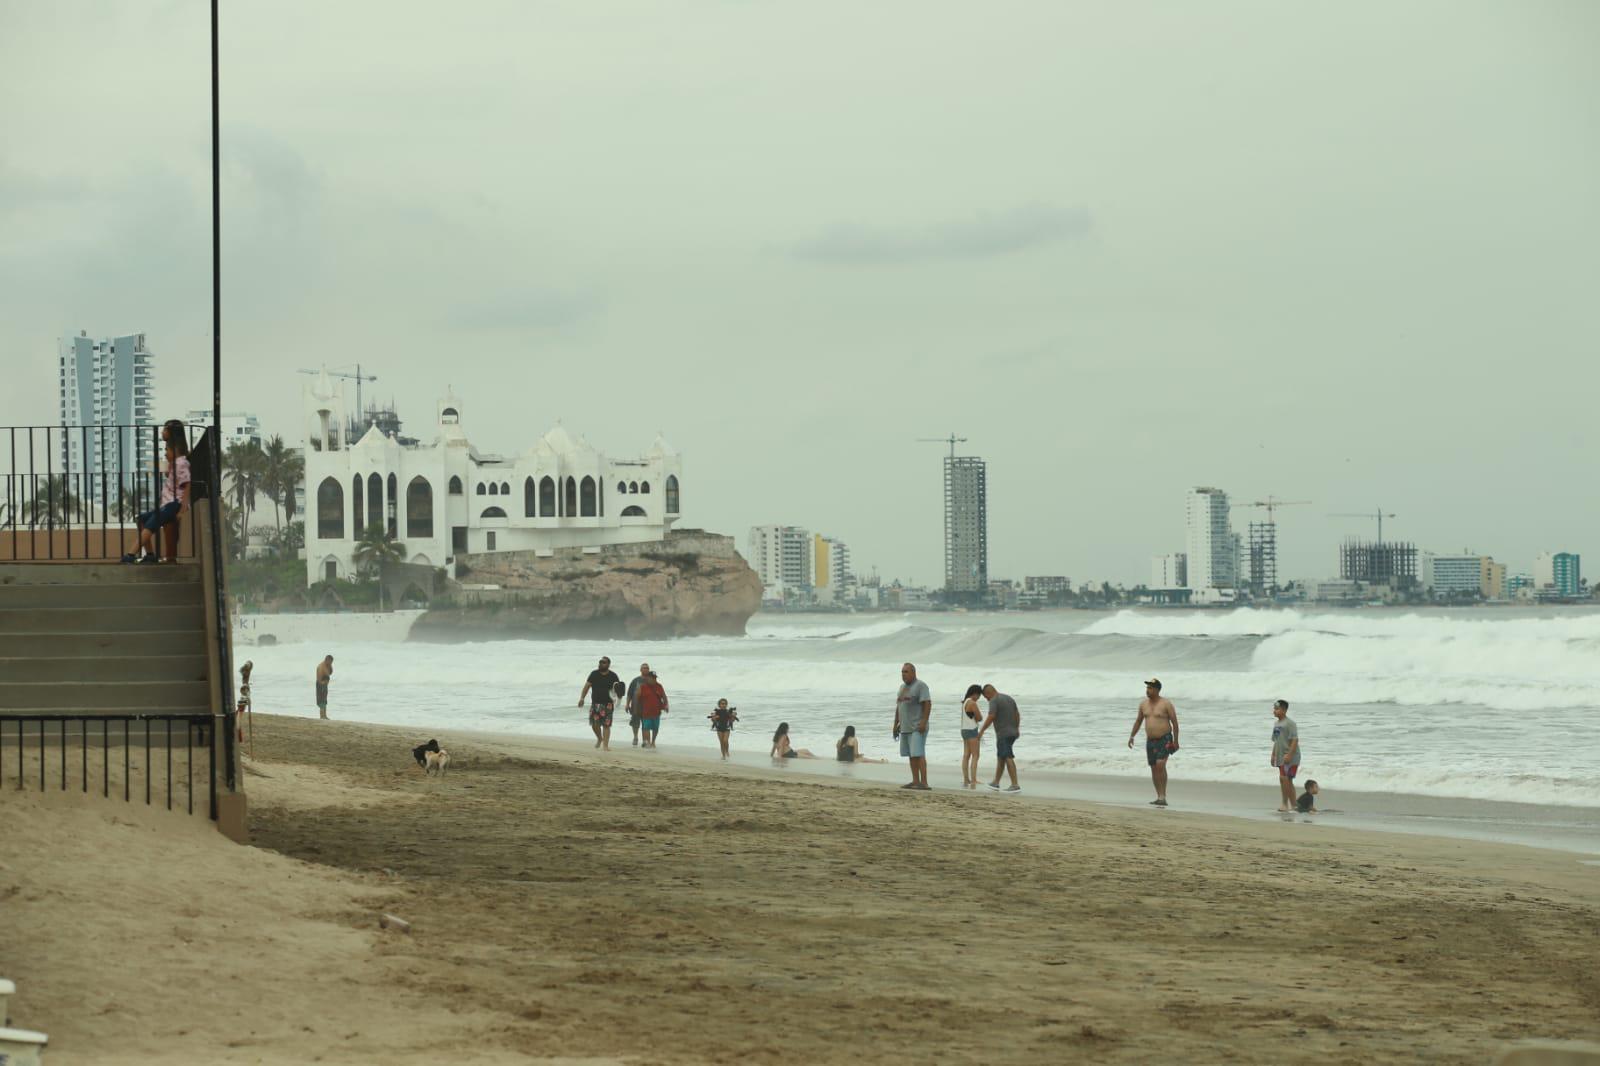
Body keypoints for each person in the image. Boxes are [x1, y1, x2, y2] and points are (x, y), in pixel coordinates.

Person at [123, 421, 190, 565]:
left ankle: (130, 554)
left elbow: (187, 483)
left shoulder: (181, 463)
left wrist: (183, 507)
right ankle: (151, 555)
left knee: (151, 525)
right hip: (167, 504)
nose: (165, 454)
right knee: (141, 519)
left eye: (167, 450)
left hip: (173, 504)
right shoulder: (175, 464)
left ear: (174, 448)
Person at [1128, 678, 1179, 806]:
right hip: (1150, 740)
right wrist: (1132, 736)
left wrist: (1176, 741)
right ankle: (1159, 796)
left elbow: (1174, 722)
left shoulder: (1166, 704)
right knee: (1154, 768)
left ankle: (1163, 796)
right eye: (1147, 688)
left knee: (1160, 765)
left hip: (1165, 738)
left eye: (1150, 688)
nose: (1147, 690)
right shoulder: (1143, 704)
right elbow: (1138, 721)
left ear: (1157, 689)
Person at [893, 662, 932, 790]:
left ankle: (924, 782)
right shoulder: (902, 688)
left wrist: (924, 721)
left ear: (914, 673)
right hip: (905, 727)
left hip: (917, 726)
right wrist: (895, 724)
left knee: (919, 753)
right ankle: (915, 781)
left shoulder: (920, 686)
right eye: (902, 672)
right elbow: (899, 707)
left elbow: (927, 704)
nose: (903, 674)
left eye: (906, 672)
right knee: (911, 754)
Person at [976, 684, 1022, 792]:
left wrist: (982, 730)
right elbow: (1017, 714)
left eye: (986, 697)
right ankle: (996, 782)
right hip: (1012, 732)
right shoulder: (1008, 698)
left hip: (1003, 733)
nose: (987, 700)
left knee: (1007, 756)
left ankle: (1015, 784)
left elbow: (991, 716)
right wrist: (1017, 728)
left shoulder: (994, 700)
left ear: (988, 693)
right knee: (1001, 756)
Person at [578, 656, 622, 751]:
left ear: (608, 664)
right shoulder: (594, 674)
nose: (601, 664)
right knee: (594, 724)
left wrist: (619, 699)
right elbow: (587, 686)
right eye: (600, 662)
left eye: (603, 662)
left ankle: (605, 745)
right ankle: (599, 738)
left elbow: (618, 690)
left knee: (606, 725)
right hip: (595, 703)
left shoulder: (613, 676)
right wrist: (582, 698)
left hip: (608, 704)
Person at [1271, 699, 1301, 812]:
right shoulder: (1276, 724)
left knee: (1286, 779)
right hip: (1280, 756)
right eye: (1274, 709)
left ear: (1284, 710)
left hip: (1290, 756)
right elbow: (1276, 740)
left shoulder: (1290, 723)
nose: (1274, 711)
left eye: (1277, 709)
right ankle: (1287, 804)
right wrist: (1273, 755)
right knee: (1283, 779)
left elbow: (1295, 740)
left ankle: (1292, 805)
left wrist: (1289, 754)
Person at [959, 684, 984, 789]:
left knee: (966, 755)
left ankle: (966, 779)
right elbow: (979, 718)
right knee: (975, 755)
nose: (978, 698)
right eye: (978, 696)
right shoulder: (972, 703)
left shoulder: (964, 702)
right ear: (975, 694)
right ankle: (973, 779)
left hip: (964, 729)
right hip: (971, 730)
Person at [637, 670, 668, 749]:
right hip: (646, 712)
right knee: (646, 727)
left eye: (655, 678)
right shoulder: (642, 687)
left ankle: (653, 741)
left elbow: (664, 697)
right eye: (652, 678)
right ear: (647, 678)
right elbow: (638, 698)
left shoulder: (659, 686)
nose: (654, 680)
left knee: (655, 728)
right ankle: (648, 742)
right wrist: (637, 708)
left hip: (657, 712)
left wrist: (666, 705)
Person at [624, 662, 651, 747]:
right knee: (635, 723)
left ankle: (645, 741)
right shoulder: (635, 680)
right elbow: (629, 694)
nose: (645, 669)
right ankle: (635, 737)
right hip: (636, 705)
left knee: (646, 724)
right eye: (644, 668)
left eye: (647, 668)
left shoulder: (651, 680)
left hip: (647, 706)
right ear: (640, 670)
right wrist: (627, 704)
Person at [315, 655, 334, 719]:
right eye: (330, 662)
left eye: (331, 662)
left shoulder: (328, 665)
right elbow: (319, 680)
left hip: (325, 685)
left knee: (324, 701)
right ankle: (322, 716)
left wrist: (330, 666)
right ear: (326, 660)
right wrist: (323, 683)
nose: (331, 663)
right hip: (320, 685)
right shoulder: (321, 667)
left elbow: (330, 673)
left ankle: (325, 715)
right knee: (321, 701)